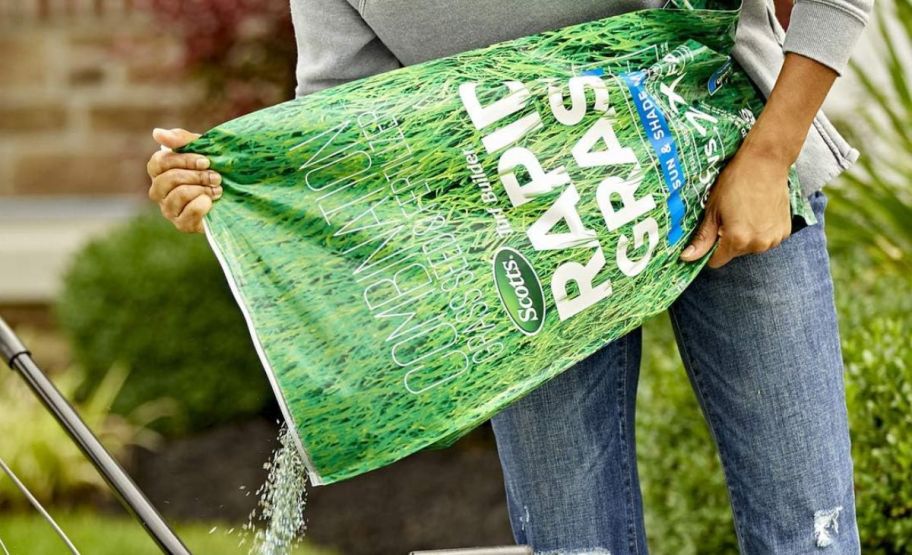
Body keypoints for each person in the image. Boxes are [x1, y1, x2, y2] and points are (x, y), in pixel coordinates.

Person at [146, 0, 872, 551]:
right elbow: (357, 143)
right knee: (573, 543)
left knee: (809, 529)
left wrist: (773, 156)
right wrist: (228, 191)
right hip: (528, 249)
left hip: (728, 158)